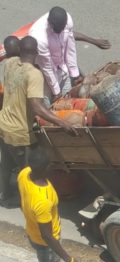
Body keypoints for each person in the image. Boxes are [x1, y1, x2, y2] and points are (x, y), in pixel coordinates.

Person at [0, 36, 77, 206]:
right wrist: (62, 123)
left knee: (5, 163)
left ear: (20, 50)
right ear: (36, 52)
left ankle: (4, 194)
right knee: (29, 170)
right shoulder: (34, 74)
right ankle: (30, 204)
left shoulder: (9, 64)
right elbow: (37, 107)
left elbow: (10, 47)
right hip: (19, 133)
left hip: (3, 125)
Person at [29, 6, 111, 105]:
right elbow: (47, 67)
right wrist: (56, 91)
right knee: (47, 105)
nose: (60, 32)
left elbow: (70, 49)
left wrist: (75, 74)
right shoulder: (39, 37)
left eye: (62, 29)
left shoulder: (68, 21)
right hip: (44, 72)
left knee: (67, 101)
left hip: (62, 67)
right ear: (50, 24)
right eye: (57, 30)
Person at [18, 146, 78, 262]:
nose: (52, 166)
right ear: (46, 168)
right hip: (46, 244)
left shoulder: (24, 174)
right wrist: (69, 259)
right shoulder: (43, 200)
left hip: (32, 232)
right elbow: (47, 236)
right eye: (50, 164)